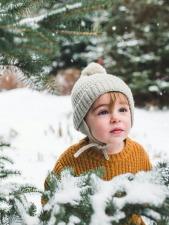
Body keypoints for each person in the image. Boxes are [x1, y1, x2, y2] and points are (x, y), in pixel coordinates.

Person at [43, 62, 152, 225]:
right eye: (103, 112)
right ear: (84, 122)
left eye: (122, 110)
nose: (116, 118)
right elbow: (50, 201)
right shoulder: (71, 161)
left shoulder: (138, 153)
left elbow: (153, 192)